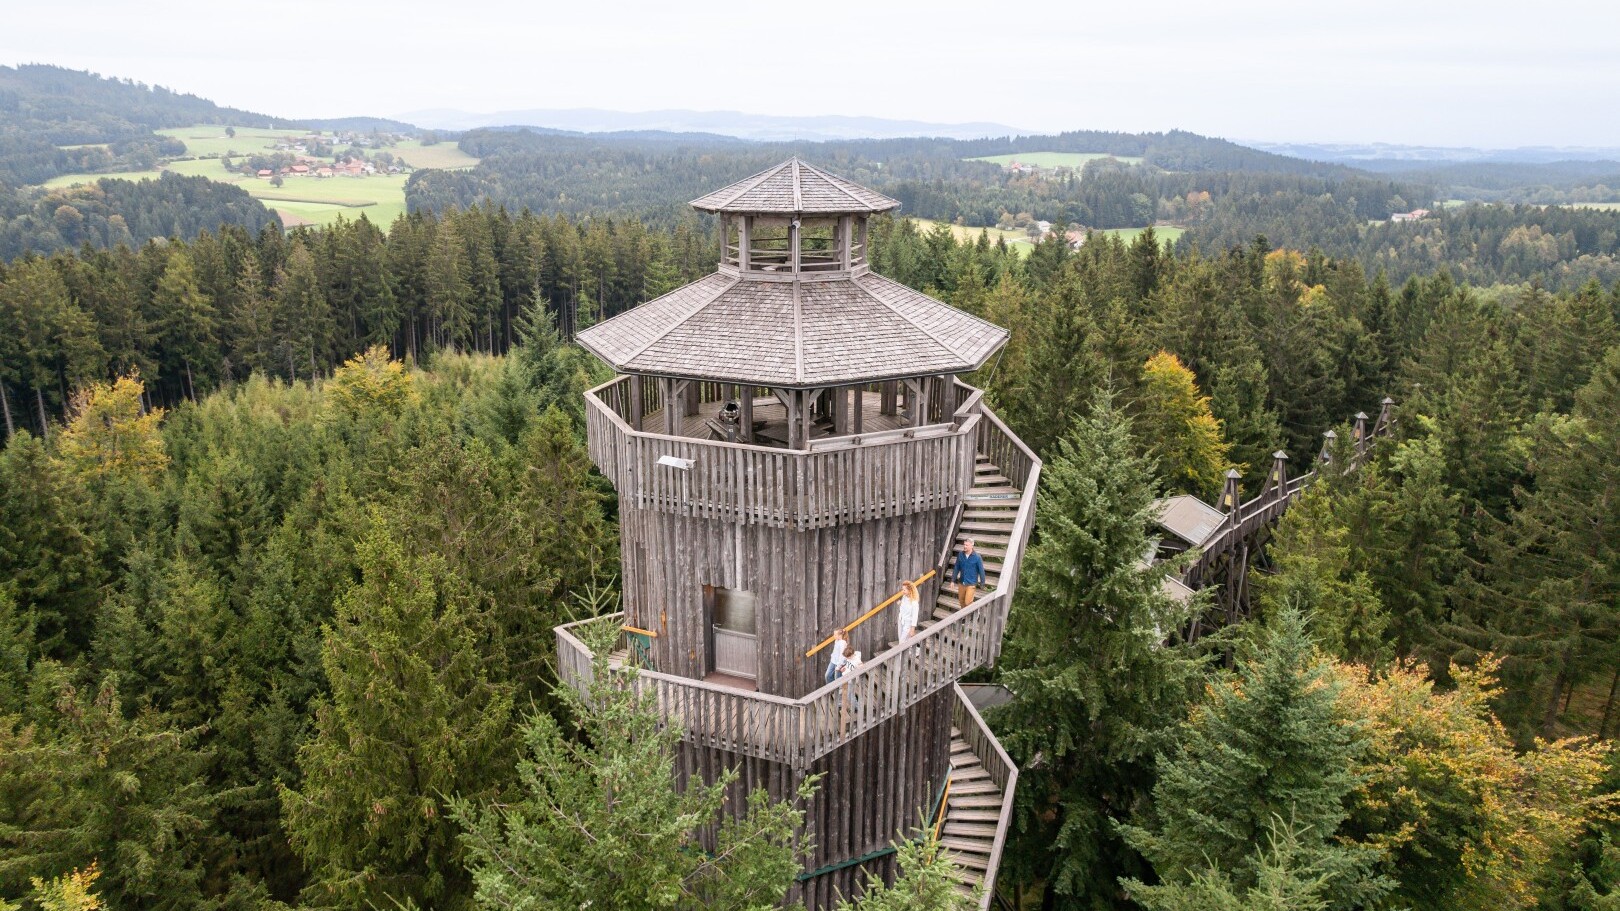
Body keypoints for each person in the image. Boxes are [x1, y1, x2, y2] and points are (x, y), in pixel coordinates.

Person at [953, 538, 986, 608]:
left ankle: (974, 613)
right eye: (964, 544)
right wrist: (953, 580)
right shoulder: (960, 555)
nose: (965, 546)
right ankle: (964, 617)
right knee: (961, 601)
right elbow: (956, 568)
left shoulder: (977, 557)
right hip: (961, 582)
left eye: (967, 545)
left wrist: (982, 583)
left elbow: (981, 571)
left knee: (968, 602)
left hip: (971, 583)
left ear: (972, 545)